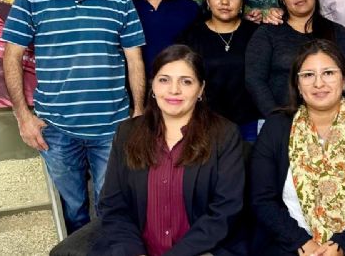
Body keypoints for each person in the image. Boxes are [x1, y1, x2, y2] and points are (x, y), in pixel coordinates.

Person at [1, 0, 146, 233]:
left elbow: (135, 60)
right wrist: (23, 116)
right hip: (56, 130)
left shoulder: (121, 3)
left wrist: (137, 113)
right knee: (73, 211)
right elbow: (11, 57)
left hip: (112, 128)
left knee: (112, 206)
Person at [94, 44, 246, 256]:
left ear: (201, 89)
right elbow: (113, 205)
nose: (174, 90)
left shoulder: (224, 135)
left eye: (186, 81)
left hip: (201, 250)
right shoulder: (128, 132)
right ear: (153, 86)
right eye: (164, 80)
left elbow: (226, 210)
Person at [250, 39, 345, 256]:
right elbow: (262, 200)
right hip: (289, 245)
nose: (319, 83)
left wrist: (342, 245)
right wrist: (302, 242)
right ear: (297, 85)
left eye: (328, 73)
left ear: (344, 80)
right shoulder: (276, 127)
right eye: (308, 75)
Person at [246, 0, 345, 118]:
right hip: (281, 123)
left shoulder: (338, 33)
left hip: (333, 123)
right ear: (282, 0)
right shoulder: (268, 33)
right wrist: (276, 119)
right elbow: (255, 81)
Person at [179, 0, 261, 141]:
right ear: (208, 0)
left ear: (241, 2)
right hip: (204, 124)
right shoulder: (191, 37)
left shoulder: (257, 34)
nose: (225, 2)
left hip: (249, 124)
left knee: (249, 166)